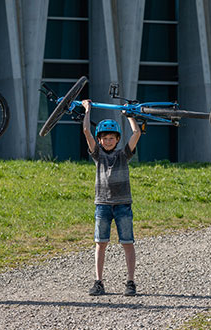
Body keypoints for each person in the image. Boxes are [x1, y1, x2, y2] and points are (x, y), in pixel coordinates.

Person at [80, 100, 143, 297]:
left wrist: (129, 114)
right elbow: (86, 132)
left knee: (127, 242)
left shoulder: (124, 155)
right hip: (103, 205)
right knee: (101, 243)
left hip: (123, 205)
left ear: (117, 139)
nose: (108, 141)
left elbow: (136, 134)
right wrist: (87, 110)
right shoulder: (97, 155)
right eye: (104, 138)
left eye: (111, 138)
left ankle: (130, 282)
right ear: (100, 140)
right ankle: (98, 282)